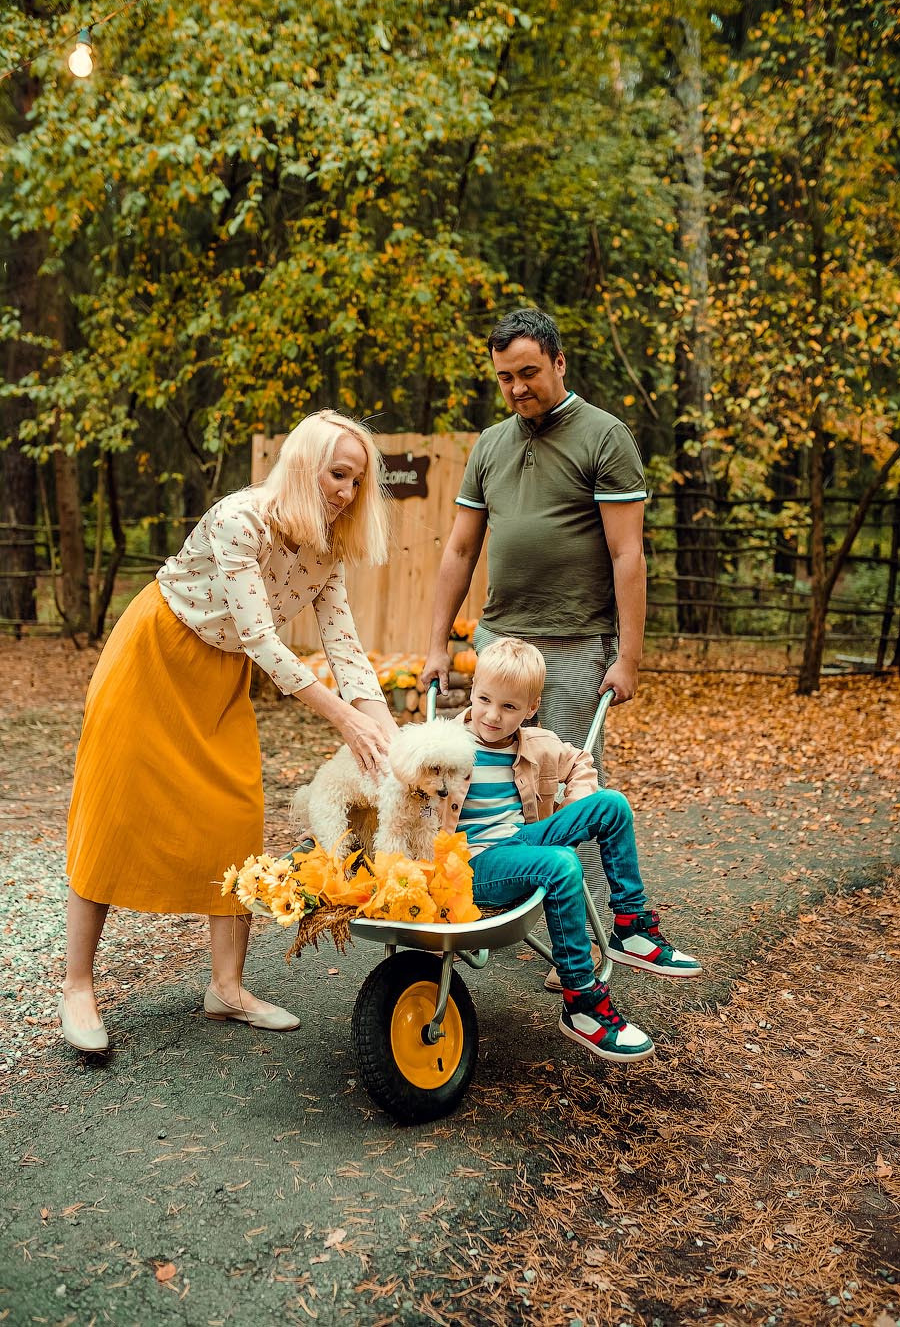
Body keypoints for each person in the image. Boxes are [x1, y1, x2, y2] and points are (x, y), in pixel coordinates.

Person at [60, 410, 397, 1053]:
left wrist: (390, 741)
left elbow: (346, 648)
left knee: (236, 815)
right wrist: (344, 720)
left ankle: (227, 988)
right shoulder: (239, 519)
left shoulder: (326, 550)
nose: (348, 494)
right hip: (153, 658)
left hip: (221, 679)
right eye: (338, 475)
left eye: (357, 481)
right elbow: (261, 638)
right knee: (111, 813)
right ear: (304, 465)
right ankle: (77, 986)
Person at [421, 307, 648, 983]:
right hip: (500, 636)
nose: (517, 388)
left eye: (528, 373)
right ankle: (488, 900)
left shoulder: (604, 436)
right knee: (483, 778)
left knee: (567, 788)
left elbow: (627, 553)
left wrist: (627, 655)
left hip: (578, 640)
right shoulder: (491, 443)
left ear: (558, 362)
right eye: (504, 378)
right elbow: (462, 546)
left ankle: (581, 938)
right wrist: (438, 642)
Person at [440, 638, 700, 1063]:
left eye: (508, 707)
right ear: (472, 689)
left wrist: (573, 808)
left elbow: (580, 762)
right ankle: (582, 1002)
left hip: (520, 845)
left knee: (612, 804)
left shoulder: (536, 742)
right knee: (560, 863)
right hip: (472, 866)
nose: (492, 715)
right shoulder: (446, 743)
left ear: (531, 707)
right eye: (485, 699)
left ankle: (630, 926)